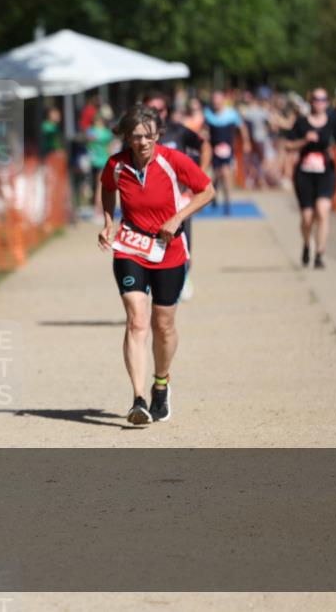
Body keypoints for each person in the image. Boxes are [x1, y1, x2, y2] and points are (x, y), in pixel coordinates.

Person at [98, 105, 215, 425]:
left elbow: (207, 190)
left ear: (158, 135)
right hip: (130, 247)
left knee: (162, 325)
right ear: (127, 138)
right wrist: (109, 222)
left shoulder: (172, 159)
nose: (144, 142)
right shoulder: (116, 165)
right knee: (137, 319)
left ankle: (160, 383)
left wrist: (177, 218)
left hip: (169, 250)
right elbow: (107, 187)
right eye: (137, 136)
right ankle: (138, 399)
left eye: (150, 136)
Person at [143, 91, 211, 301]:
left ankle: (184, 274)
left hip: (178, 198)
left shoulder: (178, 131)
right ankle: (150, 281)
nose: (156, 114)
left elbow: (204, 146)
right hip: (149, 200)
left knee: (181, 239)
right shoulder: (139, 136)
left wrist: (197, 177)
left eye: (160, 110)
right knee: (149, 240)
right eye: (151, 110)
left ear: (167, 111)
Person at [289, 88, 336, 269]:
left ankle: (320, 254)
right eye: (315, 99)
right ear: (310, 101)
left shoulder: (334, 122)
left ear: (327, 102)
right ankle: (307, 244)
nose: (319, 102)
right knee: (307, 218)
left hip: (326, 173)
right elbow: (288, 145)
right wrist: (304, 140)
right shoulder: (301, 122)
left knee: (322, 212)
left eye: (323, 99)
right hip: (304, 174)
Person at [204, 91, 250, 215]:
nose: (216, 103)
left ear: (223, 100)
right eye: (214, 100)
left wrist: (246, 142)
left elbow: (242, 128)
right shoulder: (208, 114)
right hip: (214, 149)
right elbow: (206, 130)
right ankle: (214, 193)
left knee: (226, 173)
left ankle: (228, 202)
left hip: (228, 149)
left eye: (218, 100)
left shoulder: (231, 114)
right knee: (217, 174)